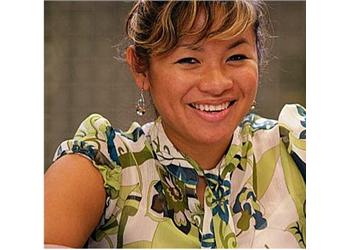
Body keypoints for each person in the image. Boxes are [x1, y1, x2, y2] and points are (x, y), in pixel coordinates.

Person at [44, 0, 306, 248]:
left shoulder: (298, 150)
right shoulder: (102, 166)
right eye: (189, 60)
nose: (216, 83)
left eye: (236, 57)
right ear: (141, 68)